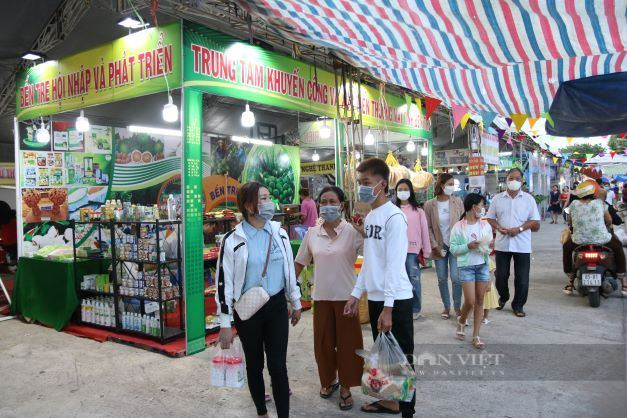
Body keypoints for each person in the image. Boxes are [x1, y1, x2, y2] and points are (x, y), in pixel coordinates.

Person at [217, 182, 303, 418]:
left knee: (278, 366)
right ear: (248, 205)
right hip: (248, 311)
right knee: (255, 365)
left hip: (276, 306)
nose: (269, 203)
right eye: (262, 199)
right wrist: (225, 323)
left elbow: (288, 271)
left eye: (268, 197)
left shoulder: (279, 233)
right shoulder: (233, 240)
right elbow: (224, 284)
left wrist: (295, 302)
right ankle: (261, 412)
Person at [343, 157, 415, 417]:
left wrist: (388, 308)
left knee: (402, 357)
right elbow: (370, 262)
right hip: (376, 298)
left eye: (366, 182)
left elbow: (395, 266)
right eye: (359, 182)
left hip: (395, 300)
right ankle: (388, 402)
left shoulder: (394, 218)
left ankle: (407, 409)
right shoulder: (372, 216)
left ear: (382, 184)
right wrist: (355, 294)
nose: (361, 187)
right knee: (383, 358)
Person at [294, 186, 364, 411]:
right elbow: (300, 262)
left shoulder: (352, 232)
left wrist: (365, 232)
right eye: (323, 201)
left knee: (348, 345)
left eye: (332, 201)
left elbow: (373, 256)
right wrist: (288, 289)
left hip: (347, 297)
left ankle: (346, 387)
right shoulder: (312, 233)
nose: (327, 205)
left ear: (341, 205)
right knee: (323, 344)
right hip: (321, 297)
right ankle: (328, 381)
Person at [486, 168, 541, 317]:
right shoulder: (497, 198)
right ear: (506, 180)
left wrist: (520, 228)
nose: (514, 181)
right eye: (511, 178)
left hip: (522, 244)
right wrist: (498, 227)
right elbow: (490, 218)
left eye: (517, 178)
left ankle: (518, 305)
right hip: (502, 244)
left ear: (522, 181)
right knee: (501, 276)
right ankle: (503, 296)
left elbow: (534, 220)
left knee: (522, 278)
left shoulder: (529, 199)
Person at [562, 180, 627, 296]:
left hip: (579, 240)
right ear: (593, 193)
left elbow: (569, 221)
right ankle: (623, 281)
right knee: (618, 246)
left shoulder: (574, 204)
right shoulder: (600, 203)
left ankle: (570, 279)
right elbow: (609, 220)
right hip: (602, 239)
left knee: (566, 248)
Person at [449, 193, 494, 349]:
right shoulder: (458, 227)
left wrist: (489, 247)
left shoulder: (485, 225)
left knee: (480, 300)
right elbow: (453, 249)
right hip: (466, 267)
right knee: (470, 300)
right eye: (481, 205)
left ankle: (476, 335)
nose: (483, 208)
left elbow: (490, 245)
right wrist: (468, 246)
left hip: (482, 265)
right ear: (473, 207)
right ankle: (462, 320)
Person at [424, 173, 464, 320]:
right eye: (450, 184)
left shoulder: (458, 202)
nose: (452, 187)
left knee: (456, 278)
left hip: (455, 245)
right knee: (441, 278)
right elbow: (427, 227)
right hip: (438, 246)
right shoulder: (429, 205)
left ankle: (458, 306)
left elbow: (463, 223)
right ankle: (446, 306)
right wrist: (434, 246)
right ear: (441, 185)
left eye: (453, 184)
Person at [395, 179, 432, 320]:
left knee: (413, 279)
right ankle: (400, 307)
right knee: (397, 280)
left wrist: (427, 250)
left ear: (410, 191)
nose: (402, 192)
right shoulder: (393, 209)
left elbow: (424, 231)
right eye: (400, 189)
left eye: (405, 189)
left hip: (412, 249)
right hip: (396, 251)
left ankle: (415, 308)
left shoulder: (419, 211)